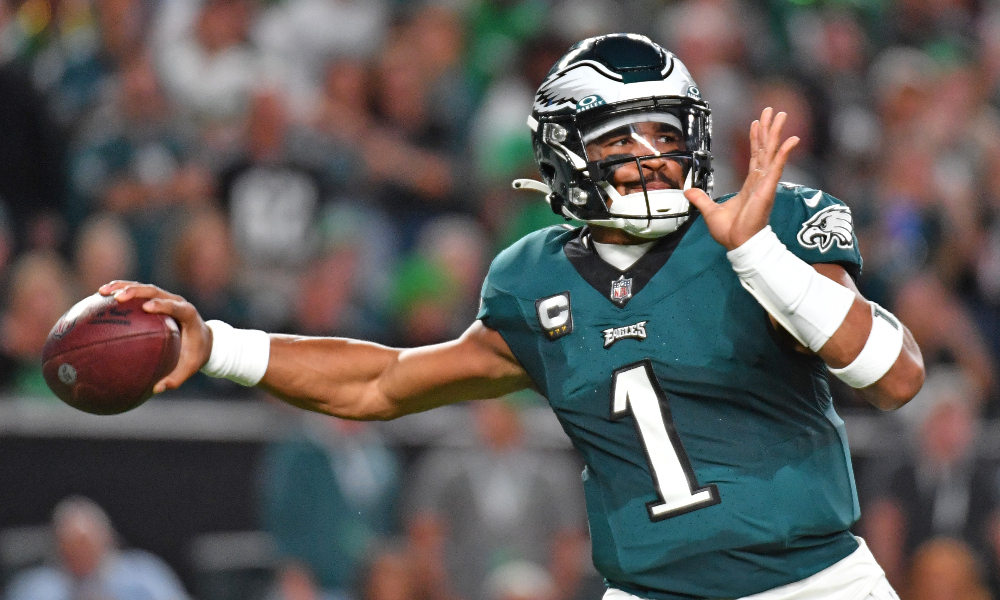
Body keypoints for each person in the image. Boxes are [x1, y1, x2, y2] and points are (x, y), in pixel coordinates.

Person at [101, 34, 926, 600]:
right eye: (619, 140)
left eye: (665, 135)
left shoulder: (770, 221)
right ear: (566, 154)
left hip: (815, 582)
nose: (651, 158)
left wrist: (760, 257)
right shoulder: (533, 283)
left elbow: (894, 378)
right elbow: (384, 382)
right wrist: (222, 346)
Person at [3, 496, 189, 600]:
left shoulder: (143, 576)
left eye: (86, 545)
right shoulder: (34, 589)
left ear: (107, 539)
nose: (80, 553)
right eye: (71, 547)